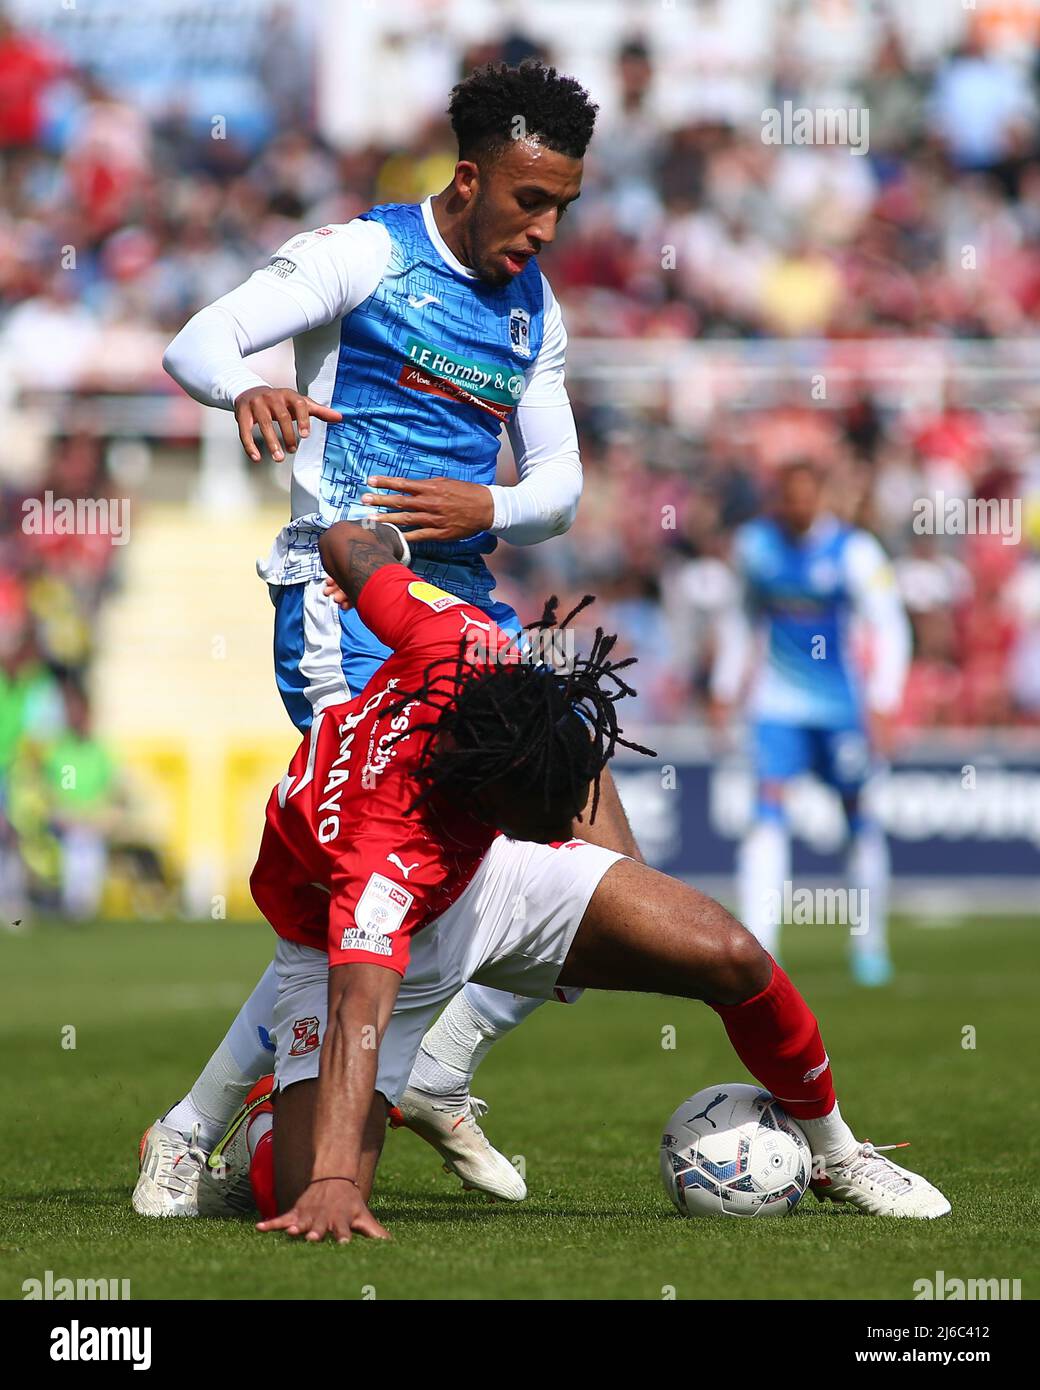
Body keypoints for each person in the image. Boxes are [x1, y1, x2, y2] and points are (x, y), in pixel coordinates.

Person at [142, 60, 642, 1214]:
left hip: (468, 616)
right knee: (368, 879)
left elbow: (559, 485)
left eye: (563, 202)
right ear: (469, 179)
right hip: (344, 606)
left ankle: (435, 1066)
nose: (546, 227)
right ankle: (190, 1128)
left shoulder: (535, 309)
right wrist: (246, 393)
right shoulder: (362, 255)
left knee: (605, 866)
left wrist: (491, 508)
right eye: (530, 199)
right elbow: (197, 344)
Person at [214, 518, 948, 1241]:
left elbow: (343, 539)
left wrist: (386, 552)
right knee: (308, 1191)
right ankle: (269, 1118)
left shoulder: (467, 641)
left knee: (728, 953)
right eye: (554, 809)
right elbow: (357, 1016)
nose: (571, 817)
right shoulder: (384, 858)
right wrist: (338, 1181)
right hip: (350, 936)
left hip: (483, 871)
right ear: (496, 795)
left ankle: (839, 1155)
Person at [710, 460, 911, 985]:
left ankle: (870, 945)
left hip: (841, 709)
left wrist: (885, 700)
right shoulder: (756, 546)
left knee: (860, 820)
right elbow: (739, 618)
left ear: (821, 497)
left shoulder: (854, 551)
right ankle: (762, 948)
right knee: (767, 813)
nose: (795, 507)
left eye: (805, 497)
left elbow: (890, 625)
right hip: (777, 709)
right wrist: (724, 687)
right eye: (787, 497)